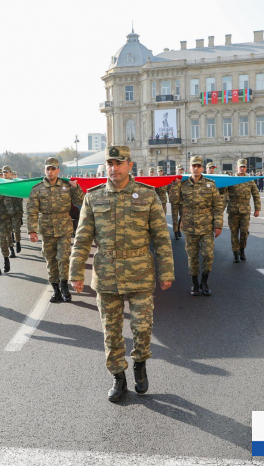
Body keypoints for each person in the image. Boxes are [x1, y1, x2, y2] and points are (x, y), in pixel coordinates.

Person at [69, 145, 174, 402]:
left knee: (142, 327)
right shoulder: (93, 197)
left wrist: (167, 271)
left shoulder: (147, 195)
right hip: (106, 274)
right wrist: (76, 272)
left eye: (119, 162)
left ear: (129, 165)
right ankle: (118, 375)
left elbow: (161, 238)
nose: (113, 168)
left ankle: (140, 362)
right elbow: (82, 238)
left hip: (140, 272)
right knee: (111, 331)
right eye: (110, 163)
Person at [27, 157, 84, 303]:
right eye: (48, 169)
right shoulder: (37, 189)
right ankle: (55, 289)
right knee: (50, 259)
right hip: (46, 229)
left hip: (64, 227)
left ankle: (64, 287)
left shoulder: (67, 186)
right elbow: (32, 211)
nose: (50, 171)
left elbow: (80, 202)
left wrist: (75, 188)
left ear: (58, 170)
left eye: (53, 168)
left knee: (63, 258)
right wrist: (32, 231)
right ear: (44, 170)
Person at [170, 156, 224, 296]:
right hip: (190, 226)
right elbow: (174, 201)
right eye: (193, 165)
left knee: (208, 254)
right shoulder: (183, 185)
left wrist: (218, 225)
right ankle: (194, 283)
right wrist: (175, 186)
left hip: (206, 225)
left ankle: (204, 281)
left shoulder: (210, 185)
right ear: (190, 168)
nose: (196, 168)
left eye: (198, 166)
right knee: (192, 256)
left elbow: (218, 206)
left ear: (202, 168)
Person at [226, 159, 261, 263]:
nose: (242, 168)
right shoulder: (231, 179)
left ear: (246, 168)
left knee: (244, 232)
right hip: (233, 210)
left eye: (244, 167)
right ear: (236, 168)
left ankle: (242, 250)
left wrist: (257, 208)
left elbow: (256, 195)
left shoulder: (249, 180)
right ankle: (235, 253)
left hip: (245, 210)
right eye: (240, 166)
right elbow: (222, 191)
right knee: (234, 232)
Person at [2, 165, 23, 257]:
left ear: (10, 173)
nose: (5, 174)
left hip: (15, 211)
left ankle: (18, 242)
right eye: (3, 172)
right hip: (5, 212)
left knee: (16, 229)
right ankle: (11, 250)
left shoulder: (15, 183)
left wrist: (20, 212)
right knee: (7, 232)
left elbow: (20, 197)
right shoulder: (1, 184)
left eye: (6, 172)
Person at [170, 164, 185, 240]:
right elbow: (167, 189)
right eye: (179, 170)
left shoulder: (184, 179)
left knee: (183, 216)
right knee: (174, 218)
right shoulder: (172, 179)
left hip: (182, 201)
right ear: (176, 170)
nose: (180, 171)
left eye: (181, 170)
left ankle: (178, 228)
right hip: (174, 202)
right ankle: (175, 232)